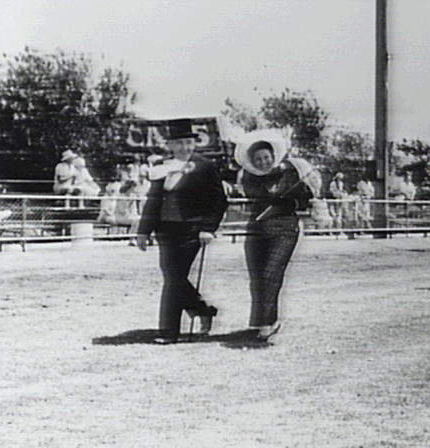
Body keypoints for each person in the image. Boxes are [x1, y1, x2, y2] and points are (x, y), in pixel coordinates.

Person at [136, 119, 228, 344]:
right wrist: (143, 231)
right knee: (172, 275)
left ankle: (168, 332)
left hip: (192, 230)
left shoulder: (205, 166)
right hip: (165, 230)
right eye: (179, 143)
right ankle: (202, 309)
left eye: (188, 142)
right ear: (170, 145)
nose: (184, 148)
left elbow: (218, 201)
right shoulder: (162, 167)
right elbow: (153, 200)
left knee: (174, 278)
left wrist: (208, 228)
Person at [236, 138, 319, 341]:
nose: (263, 162)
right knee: (257, 278)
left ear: (273, 156)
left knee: (270, 273)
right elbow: (250, 195)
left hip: (285, 229)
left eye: (266, 157)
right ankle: (263, 321)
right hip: (257, 229)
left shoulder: (291, 173)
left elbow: (306, 198)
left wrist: (293, 197)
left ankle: (266, 324)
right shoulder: (249, 177)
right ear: (252, 162)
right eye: (258, 159)